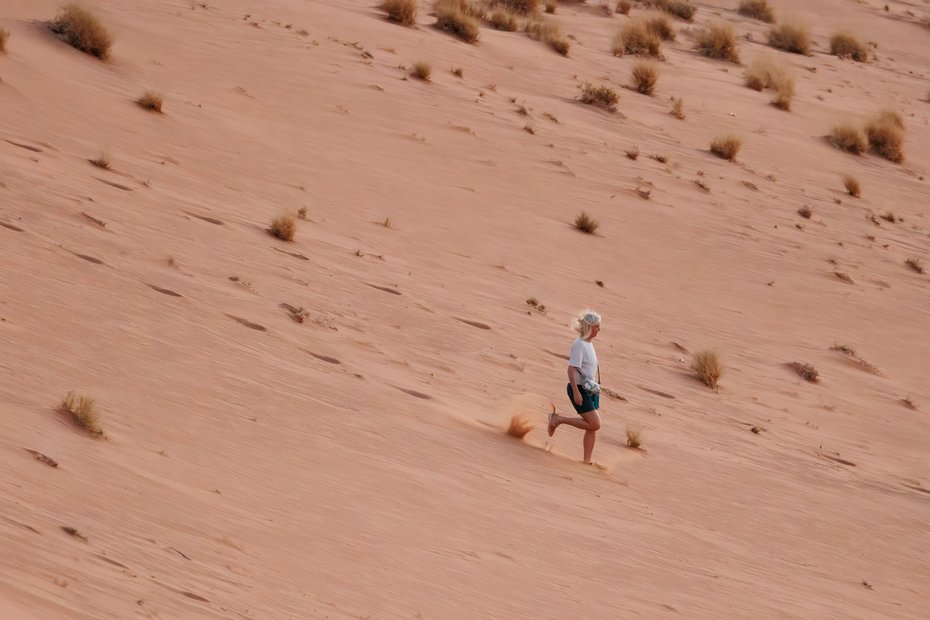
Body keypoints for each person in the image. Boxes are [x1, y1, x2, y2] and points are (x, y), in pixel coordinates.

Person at [548, 310, 602, 464]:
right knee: (595, 423)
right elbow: (571, 369)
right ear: (589, 327)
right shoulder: (579, 344)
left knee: (591, 427)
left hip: (589, 390)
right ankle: (558, 419)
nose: (599, 329)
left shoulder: (588, 344)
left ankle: (587, 460)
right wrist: (577, 392)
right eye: (596, 326)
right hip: (578, 389)